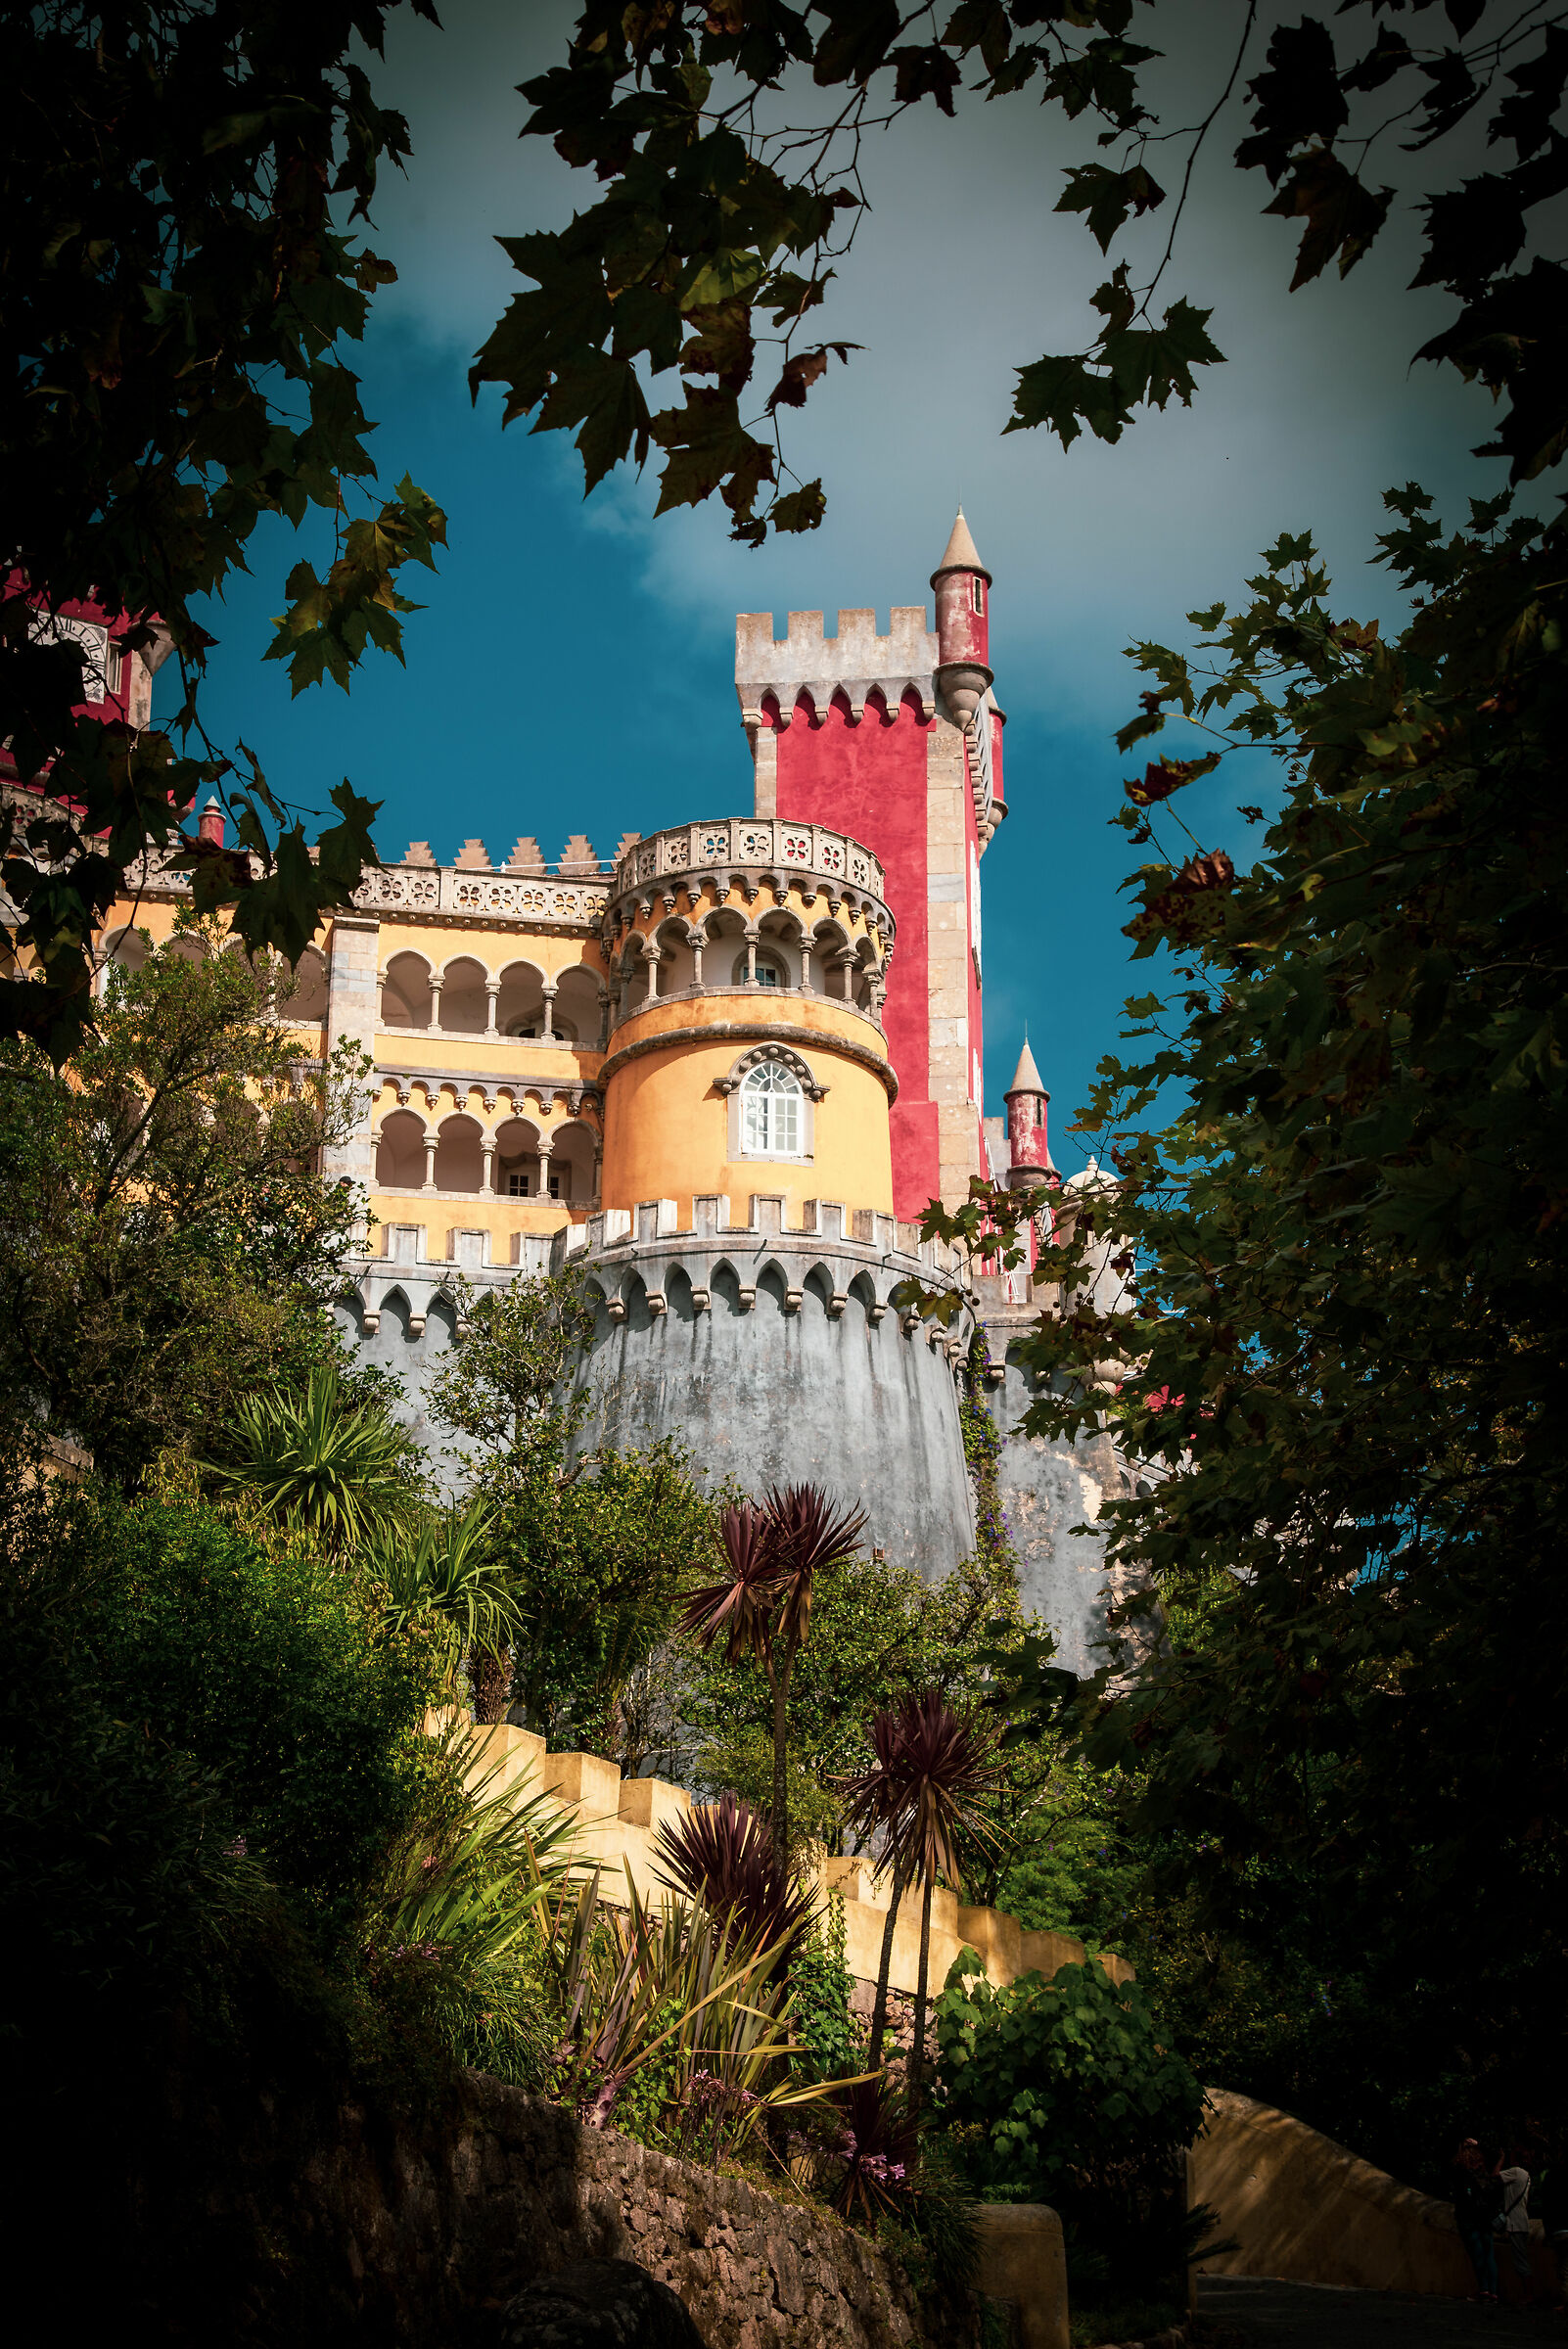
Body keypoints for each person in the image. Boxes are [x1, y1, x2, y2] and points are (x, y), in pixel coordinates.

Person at [1453, 2138, 1501, 2301]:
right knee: (1489, 2254)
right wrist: (1479, 2145)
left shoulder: (1462, 2173)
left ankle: (1484, 2289)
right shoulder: (1483, 2174)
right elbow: (1497, 2153)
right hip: (1485, 2217)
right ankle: (1493, 2291)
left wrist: (1462, 2147)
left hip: (1468, 2218)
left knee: (1477, 2254)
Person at [1496, 2150, 1535, 2303]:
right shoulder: (1526, 2175)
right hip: (1522, 2221)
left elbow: (1495, 2176)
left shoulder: (1516, 2172)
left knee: (1521, 2261)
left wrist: (1501, 2159)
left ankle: (1528, 2295)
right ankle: (1528, 2294)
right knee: (1521, 2258)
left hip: (1515, 2223)